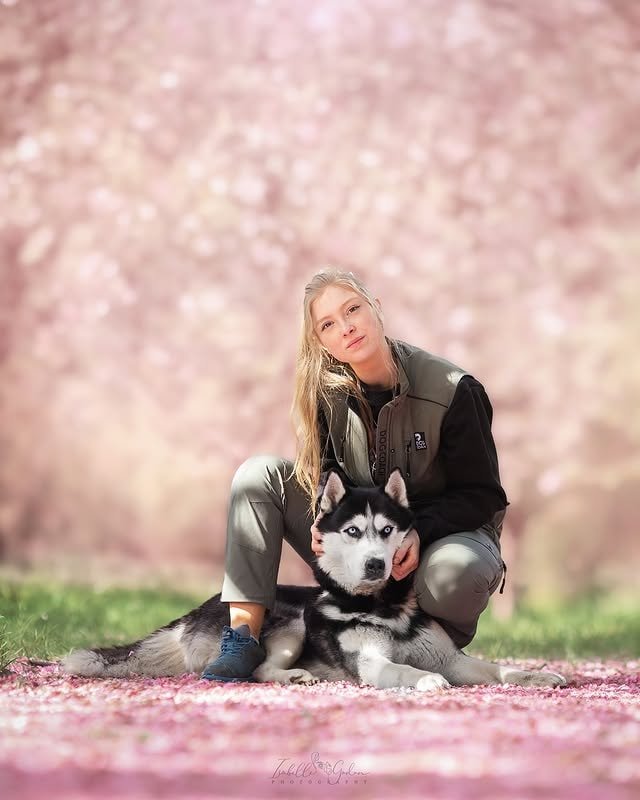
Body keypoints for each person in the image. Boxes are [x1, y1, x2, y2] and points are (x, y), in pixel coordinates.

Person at [201, 269, 508, 682]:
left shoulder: (452, 390)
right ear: (321, 340)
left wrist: (417, 530)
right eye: (328, 324)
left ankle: (427, 642)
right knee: (258, 476)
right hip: (357, 544)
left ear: (376, 309)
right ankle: (242, 639)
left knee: (455, 573)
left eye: (352, 310)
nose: (345, 328)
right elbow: (329, 479)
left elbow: (482, 496)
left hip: (443, 538)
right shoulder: (328, 393)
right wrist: (319, 521)